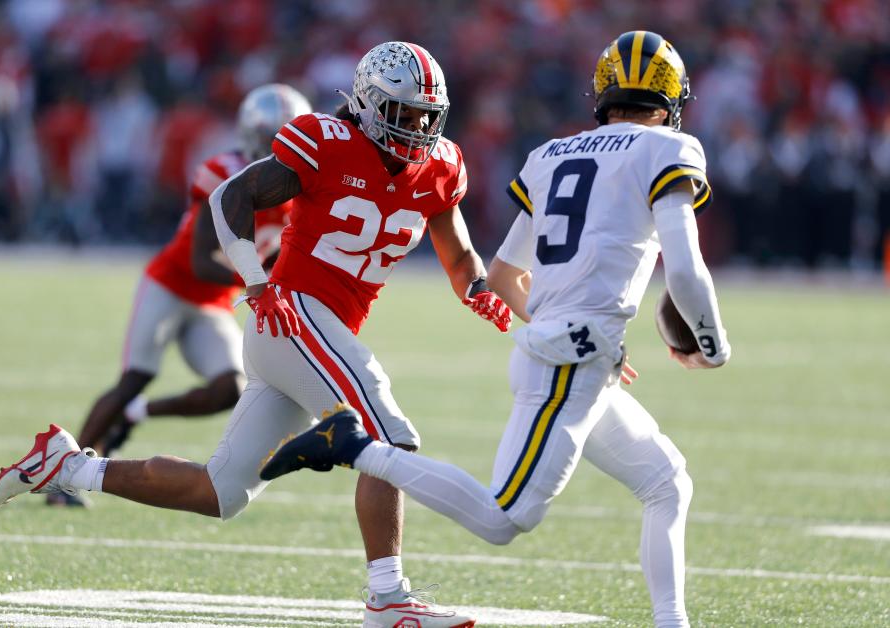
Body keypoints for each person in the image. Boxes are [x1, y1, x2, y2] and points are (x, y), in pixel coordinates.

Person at [0, 42, 510, 628]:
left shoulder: (439, 166)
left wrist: (480, 290)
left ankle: (68, 467)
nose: (416, 128)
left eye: (424, 116)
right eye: (402, 113)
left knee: (218, 492)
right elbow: (230, 196)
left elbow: (459, 252)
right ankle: (388, 599)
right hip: (294, 314)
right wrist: (258, 281)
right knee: (388, 438)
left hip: (302, 333)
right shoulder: (326, 141)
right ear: (366, 104)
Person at [259, 31, 732, 628]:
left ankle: (672, 621)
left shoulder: (552, 154)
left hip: (570, 352)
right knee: (504, 519)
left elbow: (505, 274)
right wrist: (712, 346)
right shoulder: (669, 147)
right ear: (671, 96)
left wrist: (568, 326)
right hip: (569, 362)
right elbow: (685, 269)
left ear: (603, 91)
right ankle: (349, 445)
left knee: (667, 481)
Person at [46, 84, 311, 508]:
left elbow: (279, 257)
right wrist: (261, 285)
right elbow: (201, 260)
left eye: (289, 144)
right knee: (135, 376)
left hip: (212, 302)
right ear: (252, 139)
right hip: (171, 284)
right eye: (271, 143)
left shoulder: (301, 195)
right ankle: (63, 476)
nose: (279, 155)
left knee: (230, 388)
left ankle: (137, 414)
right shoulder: (224, 172)